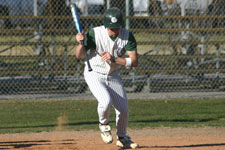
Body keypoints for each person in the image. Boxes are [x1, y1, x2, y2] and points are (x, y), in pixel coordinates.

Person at [75, 7, 138, 149]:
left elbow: (134, 62)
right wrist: (80, 43)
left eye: (116, 28)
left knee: (123, 110)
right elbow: (79, 55)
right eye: (110, 28)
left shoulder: (127, 35)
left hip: (112, 74)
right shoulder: (95, 33)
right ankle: (104, 125)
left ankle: (122, 138)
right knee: (105, 100)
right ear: (105, 26)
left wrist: (114, 58)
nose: (113, 31)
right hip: (94, 72)